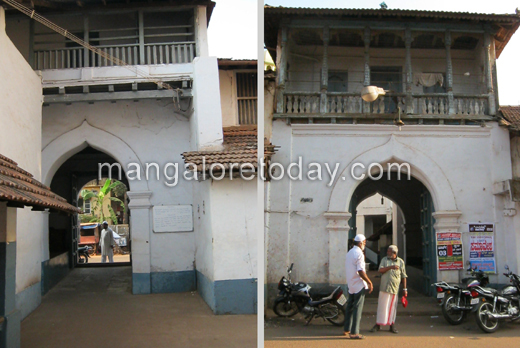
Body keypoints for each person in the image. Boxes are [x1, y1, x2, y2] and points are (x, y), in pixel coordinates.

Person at [370, 245, 407, 334]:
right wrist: (391, 267)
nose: (387, 252)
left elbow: (403, 276)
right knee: (382, 307)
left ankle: (391, 324)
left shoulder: (400, 262)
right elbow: (380, 270)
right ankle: (378, 324)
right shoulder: (384, 260)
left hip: (394, 288)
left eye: (389, 251)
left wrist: (405, 289)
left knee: (392, 307)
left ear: (394, 253)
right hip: (384, 287)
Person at [344, 234, 373, 340]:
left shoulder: (349, 252)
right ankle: (354, 332)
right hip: (358, 283)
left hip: (351, 283)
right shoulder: (359, 253)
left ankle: (346, 328)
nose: (365, 244)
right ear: (360, 243)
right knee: (357, 307)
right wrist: (369, 282)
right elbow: (360, 271)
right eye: (364, 243)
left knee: (350, 306)